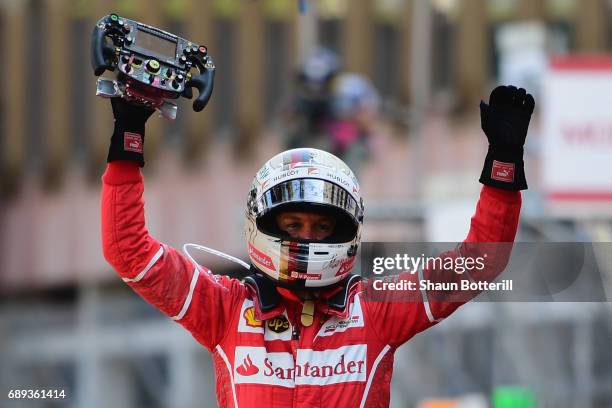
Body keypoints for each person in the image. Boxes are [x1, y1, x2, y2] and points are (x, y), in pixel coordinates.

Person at [101, 85, 534, 407]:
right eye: (292, 223)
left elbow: (479, 263)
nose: (306, 237)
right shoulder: (225, 309)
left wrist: (503, 166)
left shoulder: (375, 311)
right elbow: (129, 252)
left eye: (321, 227)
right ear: (264, 223)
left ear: (345, 231)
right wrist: (128, 139)